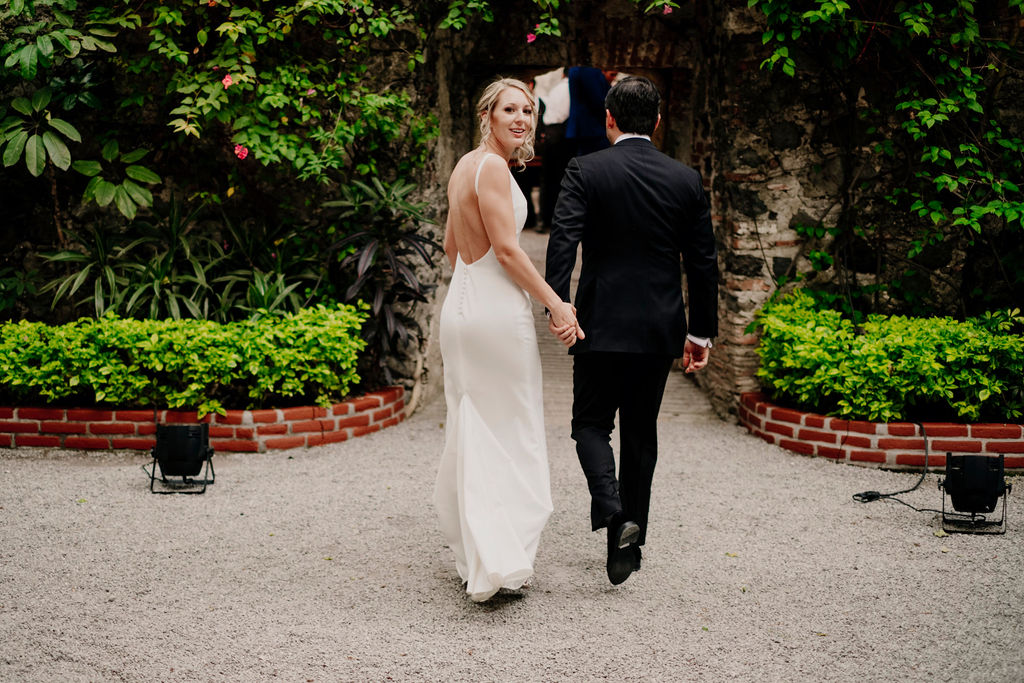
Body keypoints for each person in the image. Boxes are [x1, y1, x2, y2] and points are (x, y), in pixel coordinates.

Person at [544, 76, 719, 586]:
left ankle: (608, 499)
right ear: (658, 121)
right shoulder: (685, 179)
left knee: (591, 425)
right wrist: (701, 334)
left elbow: (563, 241)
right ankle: (627, 542)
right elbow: (703, 264)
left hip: (597, 325)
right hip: (658, 329)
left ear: (609, 119)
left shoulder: (586, 168)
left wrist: (561, 305)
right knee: (641, 434)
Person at [433, 77, 583, 602]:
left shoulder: (462, 167)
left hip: (462, 307)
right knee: (512, 427)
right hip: (495, 313)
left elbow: (454, 247)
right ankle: (498, 557)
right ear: (487, 115)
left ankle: (475, 553)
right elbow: (508, 252)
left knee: (474, 424)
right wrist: (556, 303)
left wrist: (473, 292)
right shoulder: (493, 167)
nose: (521, 119)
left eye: (528, 111)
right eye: (510, 110)